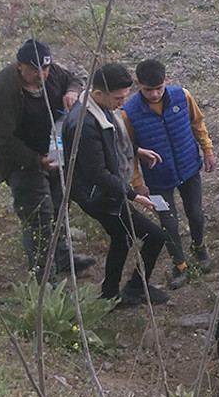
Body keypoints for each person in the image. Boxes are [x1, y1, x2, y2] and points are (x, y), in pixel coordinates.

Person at [0, 39, 97, 283]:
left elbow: (73, 79)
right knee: (39, 219)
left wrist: (71, 92)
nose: (42, 74)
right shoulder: (4, 90)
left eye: (44, 69)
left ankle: (63, 257)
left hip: (54, 152)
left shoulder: (50, 71)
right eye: (35, 70)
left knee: (59, 206)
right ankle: (44, 278)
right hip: (22, 161)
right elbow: (0, 140)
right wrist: (35, 160)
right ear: (20, 66)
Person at [61, 63, 170, 307]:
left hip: (105, 191)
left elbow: (109, 146)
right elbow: (96, 172)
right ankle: (134, 288)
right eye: (119, 98)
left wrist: (136, 151)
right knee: (154, 236)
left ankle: (111, 294)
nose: (122, 103)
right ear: (99, 93)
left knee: (122, 239)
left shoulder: (99, 107)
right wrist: (132, 195)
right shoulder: (84, 125)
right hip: (100, 196)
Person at [123, 59, 217, 288]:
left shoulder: (182, 96)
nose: (154, 94)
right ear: (137, 84)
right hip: (157, 180)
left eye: (158, 88)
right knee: (168, 222)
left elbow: (198, 123)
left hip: (189, 168)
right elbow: (129, 151)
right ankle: (180, 265)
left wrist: (208, 150)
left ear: (166, 80)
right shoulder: (128, 113)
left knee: (195, 213)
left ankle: (198, 247)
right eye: (148, 90)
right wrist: (137, 183)